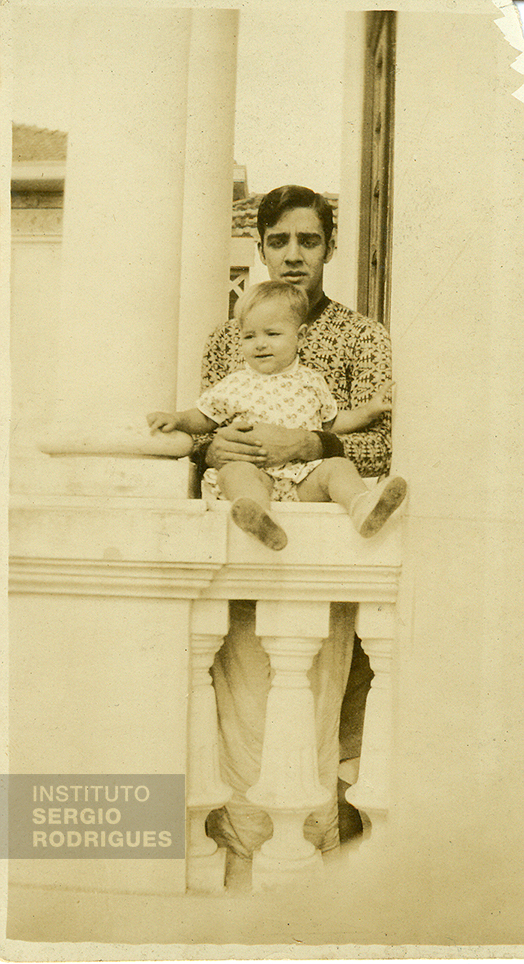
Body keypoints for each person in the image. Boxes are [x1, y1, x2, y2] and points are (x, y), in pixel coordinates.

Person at [190, 186, 395, 868]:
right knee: (242, 714)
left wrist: (307, 446)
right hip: (248, 538)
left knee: (310, 712)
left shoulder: (363, 337)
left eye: (308, 241)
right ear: (261, 247)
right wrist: (213, 450)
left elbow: (384, 444)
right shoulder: (230, 336)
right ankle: (243, 868)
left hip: (319, 551)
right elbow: (205, 433)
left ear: (330, 247)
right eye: (279, 241)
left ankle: (307, 879)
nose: (293, 254)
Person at [148, 281, 405, 550]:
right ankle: (260, 517)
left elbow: (333, 422)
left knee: (338, 467)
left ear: (301, 337)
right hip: (258, 474)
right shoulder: (236, 383)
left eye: (272, 334)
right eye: (249, 336)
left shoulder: (312, 381)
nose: (260, 344)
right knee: (235, 472)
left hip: (304, 478)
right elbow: (204, 416)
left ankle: (362, 506)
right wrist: (177, 419)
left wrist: (367, 412)